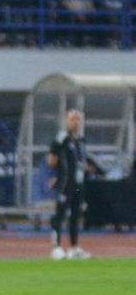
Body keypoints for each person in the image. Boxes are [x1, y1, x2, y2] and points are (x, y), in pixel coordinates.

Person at [47, 109, 98, 260]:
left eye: (77, 119)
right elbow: (51, 159)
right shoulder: (62, 138)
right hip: (66, 182)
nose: (74, 122)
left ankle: (74, 247)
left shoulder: (81, 140)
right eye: (71, 119)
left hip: (78, 183)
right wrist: (56, 175)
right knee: (60, 213)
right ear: (66, 121)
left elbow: (80, 160)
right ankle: (56, 247)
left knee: (75, 214)